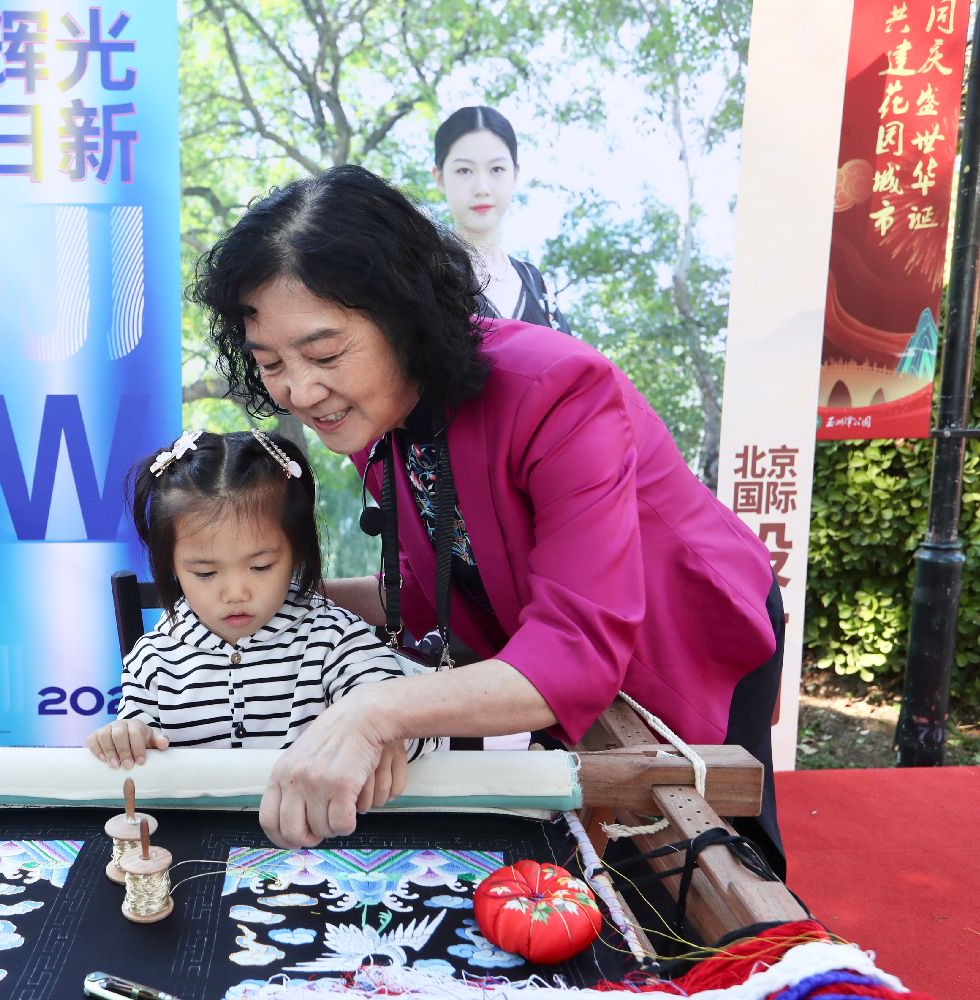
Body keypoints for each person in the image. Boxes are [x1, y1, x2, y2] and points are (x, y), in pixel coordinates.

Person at [192, 165, 786, 877]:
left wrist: (372, 712)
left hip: (683, 618)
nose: (301, 389)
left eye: (324, 353)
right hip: (556, 634)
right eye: (270, 363)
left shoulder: (559, 387)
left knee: (706, 861)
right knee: (595, 854)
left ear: (404, 318)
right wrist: (283, 594)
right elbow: (434, 585)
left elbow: (575, 649)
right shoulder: (374, 415)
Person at [85, 428, 444, 809]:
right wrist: (125, 737)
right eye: (205, 573)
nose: (236, 592)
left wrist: (387, 733)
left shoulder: (333, 637)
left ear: (297, 552)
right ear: (171, 565)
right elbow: (135, 746)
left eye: (260, 566)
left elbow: (406, 724)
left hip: (316, 832)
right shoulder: (153, 659)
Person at [433, 105, 572, 333]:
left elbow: (570, 355)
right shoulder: (424, 272)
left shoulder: (537, 285)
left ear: (515, 174)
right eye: (464, 171)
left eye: (496, 169)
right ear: (440, 178)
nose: (482, 188)